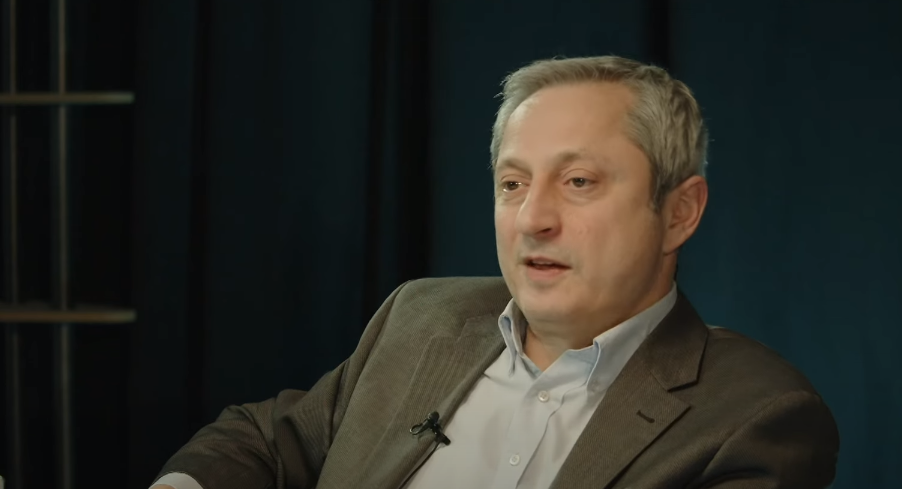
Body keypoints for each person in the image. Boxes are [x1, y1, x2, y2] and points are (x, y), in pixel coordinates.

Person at [151, 55, 839, 489]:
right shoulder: (421, 316)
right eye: (512, 183)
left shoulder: (757, 416)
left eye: (577, 181)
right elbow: (269, 440)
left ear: (679, 213)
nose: (532, 218)